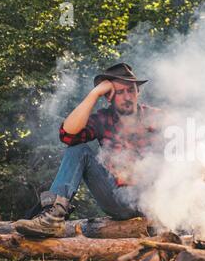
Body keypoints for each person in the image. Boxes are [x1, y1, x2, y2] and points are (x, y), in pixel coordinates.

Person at [13, 63, 163, 237]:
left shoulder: (156, 117)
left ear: (138, 92)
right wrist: (94, 93)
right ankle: (53, 218)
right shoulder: (102, 119)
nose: (127, 96)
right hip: (119, 200)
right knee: (78, 150)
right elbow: (68, 135)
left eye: (131, 90)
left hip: (156, 200)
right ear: (109, 97)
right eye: (120, 92)